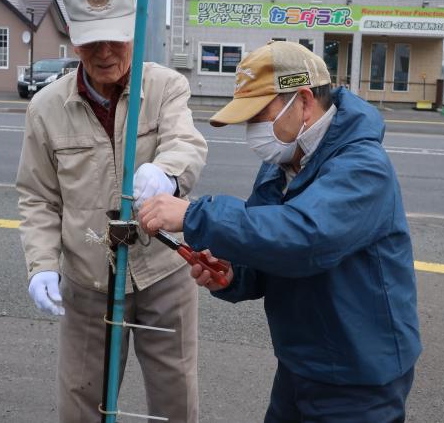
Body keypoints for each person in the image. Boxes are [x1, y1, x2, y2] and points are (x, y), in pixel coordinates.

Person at [139, 40, 421, 422]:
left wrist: (195, 215)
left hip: (359, 375)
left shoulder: (362, 166)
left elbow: (306, 239)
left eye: (260, 115)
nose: (254, 131)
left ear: (303, 101)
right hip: (301, 362)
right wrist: (234, 274)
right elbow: (268, 247)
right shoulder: (283, 163)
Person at [16, 0, 207, 423]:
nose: (104, 53)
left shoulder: (164, 87)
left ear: (133, 32)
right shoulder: (46, 108)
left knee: (175, 400)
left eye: (115, 39)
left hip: (162, 273)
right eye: (90, 42)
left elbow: (187, 143)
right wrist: (42, 266)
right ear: (72, 40)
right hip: (86, 280)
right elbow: (38, 196)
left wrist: (166, 173)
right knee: (81, 403)